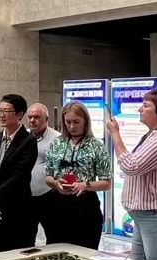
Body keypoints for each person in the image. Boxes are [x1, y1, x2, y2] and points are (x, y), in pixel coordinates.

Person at [107, 89, 157, 260]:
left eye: (145, 105)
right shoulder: (152, 135)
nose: (140, 109)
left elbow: (131, 166)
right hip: (145, 214)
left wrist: (115, 134)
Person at [44, 102, 111, 249]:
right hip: (58, 204)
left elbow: (106, 183)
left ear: (85, 121)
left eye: (76, 122)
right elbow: (48, 176)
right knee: (56, 250)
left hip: (86, 205)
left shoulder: (96, 146)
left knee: (85, 251)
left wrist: (85, 185)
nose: (72, 126)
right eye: (68, 122)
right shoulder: (57, 143)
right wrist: (56, 184)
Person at [0, 94, 38, 253]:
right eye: (0, 110)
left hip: (17, 208)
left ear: (19, 114)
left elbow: (20, 175)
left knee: (16, 254)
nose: (1, 115)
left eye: (7, 111)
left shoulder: (28, 141)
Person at [27, 103, 61, 244]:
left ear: (46, 119)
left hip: (50, 196)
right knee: (25, 238)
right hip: (26, 197)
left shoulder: (58, 139)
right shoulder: (23, 137)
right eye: (30, 117)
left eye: (36, 117)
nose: (32, 120)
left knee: (54, 237)